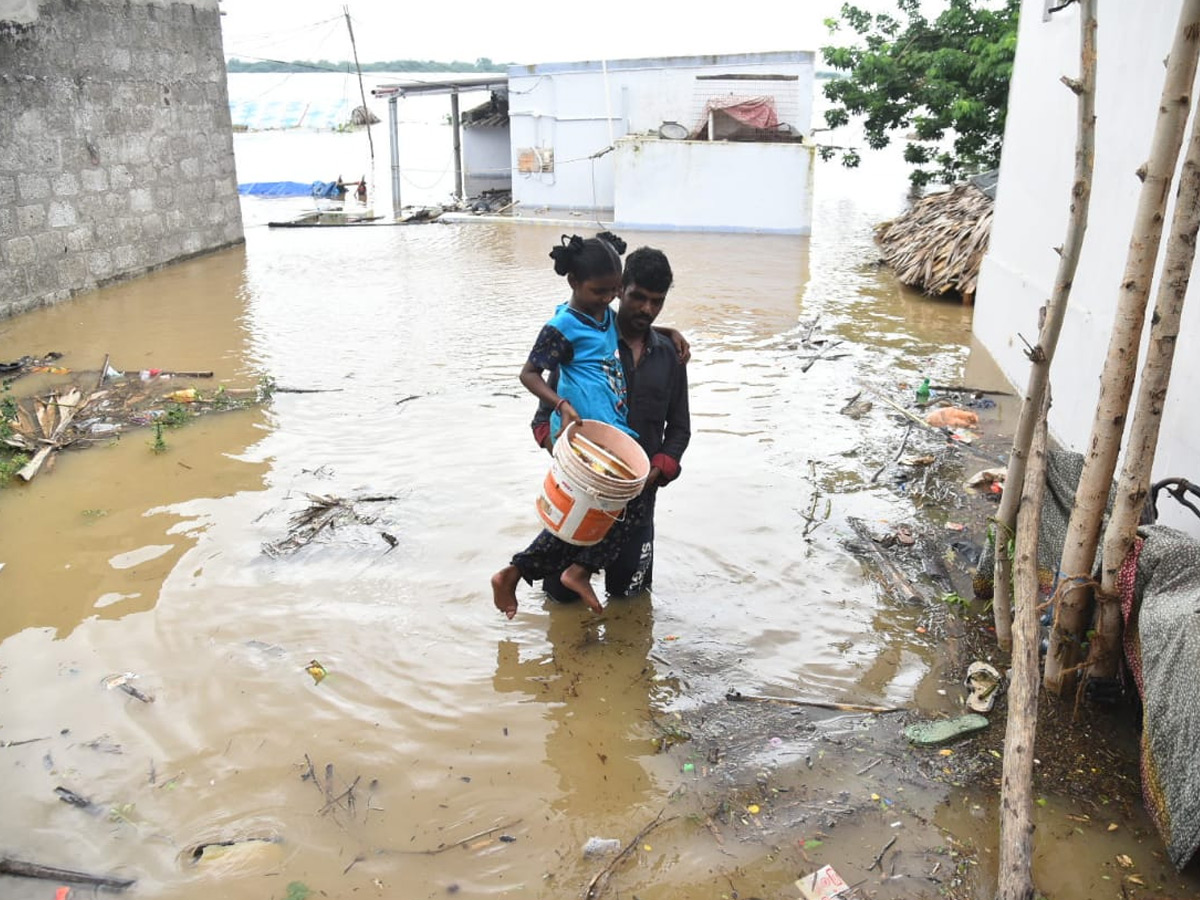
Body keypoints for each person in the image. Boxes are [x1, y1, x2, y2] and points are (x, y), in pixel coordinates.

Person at [491, 232, 637, 619]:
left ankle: (520, 572)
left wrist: (669, 333)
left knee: (595, 515)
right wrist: (560, 403)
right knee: (607, 508)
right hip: (581, 435)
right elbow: (528, 374)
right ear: (573, 283)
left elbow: (632, 330)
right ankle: (573, 571)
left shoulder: (603, 315)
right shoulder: (562, 326)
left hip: (609, 432)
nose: (608, 298)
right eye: (599, 291)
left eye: (614, 290)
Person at [534, 246, 690, 601]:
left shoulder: (670, 354)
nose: (647, 310)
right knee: (561, 603)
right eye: (638, 297)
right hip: (577, 496)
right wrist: (570, 461)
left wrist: (657, 470)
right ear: (620, 290)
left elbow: (679, 429)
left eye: (657, 302)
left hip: (637, 503)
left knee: (631, 602)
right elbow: (543, 420)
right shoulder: (584, 346)